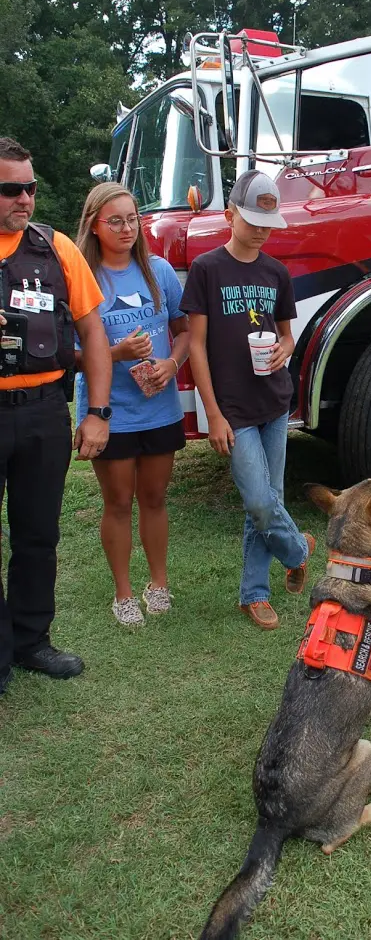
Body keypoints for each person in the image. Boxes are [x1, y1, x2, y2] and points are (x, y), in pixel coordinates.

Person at [0, 136, 112, 696]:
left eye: (31, 187)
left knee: (38, 536)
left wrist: (96, 411)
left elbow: (92, 331)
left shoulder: (55, 248)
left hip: (44, 409)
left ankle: (30, 641)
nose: (25, 199)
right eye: (11, 189)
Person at [180, 170, 314, 631]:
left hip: (273, 401)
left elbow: (287, 336)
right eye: (253, 218)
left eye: (268, 220)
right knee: (259, 499)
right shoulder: (207, 269)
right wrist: (212, 414)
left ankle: (254, 594)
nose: (261, 228)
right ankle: (298, 548)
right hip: (232, 408)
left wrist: (285, 348)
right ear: (230, 213)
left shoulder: (276, 272)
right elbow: (196, 346)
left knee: (268, 498)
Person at [76, 184, 190, 626]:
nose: (127, 228)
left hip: (159, 407)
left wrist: (171, 363)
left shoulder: (157, 271)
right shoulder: (84, 277)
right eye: (116, 221)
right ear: (95, 225)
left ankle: (158, 583)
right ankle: (123, 592)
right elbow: (71, 355)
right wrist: (116, 354)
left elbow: (182, 331)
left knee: (155, 497)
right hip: (110, 412)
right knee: (119, 501)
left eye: (133, 218)